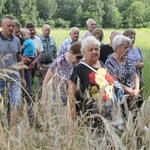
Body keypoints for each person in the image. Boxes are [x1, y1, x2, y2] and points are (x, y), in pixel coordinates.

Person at [68, 36, 115, 133]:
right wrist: (73, 119)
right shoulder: (80, 69)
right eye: (90, 50)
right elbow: (71, 95)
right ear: (83, 52)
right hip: (89, 117)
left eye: (96, 49)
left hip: (108, 113)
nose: (94, 52)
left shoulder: (101, 63)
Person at [0, 16, 26, 131]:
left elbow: (19, 59)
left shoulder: (16, 40)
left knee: (16, 104)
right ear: (2, 26)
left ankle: (13, 131)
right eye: (8, 26)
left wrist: (23, 78)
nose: (11, 28)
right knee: (2, 106)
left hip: (15, 79)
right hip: (1, 79)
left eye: (12, 26)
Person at [105, 35, 140, 117]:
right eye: (125, 47)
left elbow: (135, 76)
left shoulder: (129, 60)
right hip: (120, 99)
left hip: (133, 96)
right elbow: (115, 82)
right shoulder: (110, 62)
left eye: (128, 47)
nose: (128, 50)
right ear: (117, 48)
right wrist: (130, 92)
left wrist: (136, 90)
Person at [40, 41, 83, 107]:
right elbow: (46, 80)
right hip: (58, 101)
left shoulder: (81, 64)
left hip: (74, 101)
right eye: (78, 57)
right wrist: (43, 98)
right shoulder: (59, 62)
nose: (80, 60)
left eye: (82, 57)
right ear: (71, 52)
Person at [123, 29, 144, 108]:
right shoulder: (124, 50)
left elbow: (142, 61)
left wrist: (141, 64)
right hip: (129, 78)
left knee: (139, 99)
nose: (132, 39)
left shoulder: (138, 49)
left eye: (134, 37)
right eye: (130, 37)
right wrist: (133, 65)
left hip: (138, 76)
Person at [37, 24, 57, 97]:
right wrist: (38, 64)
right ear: (42, 30)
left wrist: (56, 62)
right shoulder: (38, 39)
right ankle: (40, 100)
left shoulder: (52, 39)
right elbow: (36, 53)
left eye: (49, 30)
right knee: (40, 83)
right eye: (46, 30)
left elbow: (54, 51)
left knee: (50, 83)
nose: (47, 32)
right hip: (41, 64)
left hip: (50, 65)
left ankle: (48, 99)